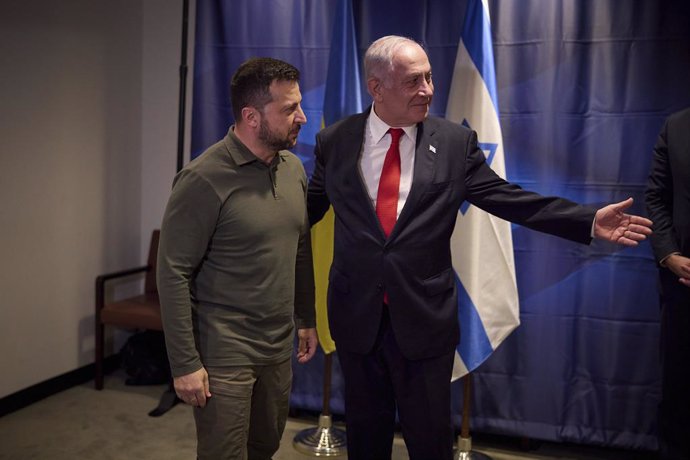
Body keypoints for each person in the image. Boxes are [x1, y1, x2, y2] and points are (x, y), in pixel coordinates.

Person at [307, 35, 653, 460]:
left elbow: (509, 199)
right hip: (357, 318)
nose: (428, 90)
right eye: (415, 81)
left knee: (431, 440)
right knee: (365, 437)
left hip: (424, 321)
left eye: (430, 77)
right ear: (377, 88)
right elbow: (303, 213)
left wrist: (586, 220)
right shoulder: (337, 142)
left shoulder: (454, 143)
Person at [157, 57, 318, 460]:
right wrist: (184, 364)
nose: (302, 117)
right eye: (289, 109)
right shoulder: (202, 178)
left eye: (299, 105)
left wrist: (306, 317)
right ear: (251, 116)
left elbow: (300, 247)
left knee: (264, 448)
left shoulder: (293, 169)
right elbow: (172, 272)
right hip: (223, 353)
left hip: (277, 348)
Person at [645, 107, 690, 460]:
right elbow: (657, 197)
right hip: (681, 287)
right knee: (678, 391)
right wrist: (668, 254)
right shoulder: (676, 126)